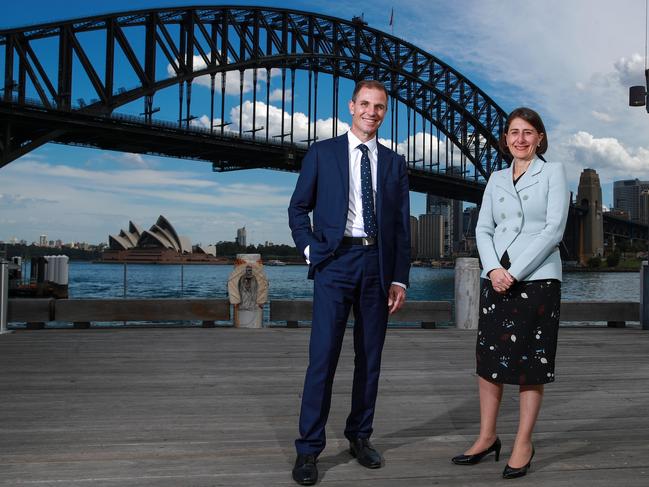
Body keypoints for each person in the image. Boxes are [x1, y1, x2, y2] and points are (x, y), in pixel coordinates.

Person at [288, 80, 411, 485]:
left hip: (377, 264)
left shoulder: (395, 163)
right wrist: (312, 252)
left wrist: (399, 278)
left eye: (379, 107)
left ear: (384, 112)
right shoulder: (322, 153)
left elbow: (399, 228)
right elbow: (298, 208)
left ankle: (360, 437)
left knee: (369, 359)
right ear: (350, 106)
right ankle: (308, 449)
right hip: (334, 261)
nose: (371, 112)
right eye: (365, 104)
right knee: (322, 358)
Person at [451, 107, 569, 479]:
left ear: (540, 138)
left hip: (536, 280)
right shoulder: (497, 177)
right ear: (506, 139)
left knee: (530, 364)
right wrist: (492, 270)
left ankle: (523, 442)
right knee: (489, 362)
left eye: (528, 132)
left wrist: (514, 273)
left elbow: (553, 231)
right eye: (513, 132)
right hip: (497, 278)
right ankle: (487, 437)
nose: (520, 139)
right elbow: (483, 228)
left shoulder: (553, 173)